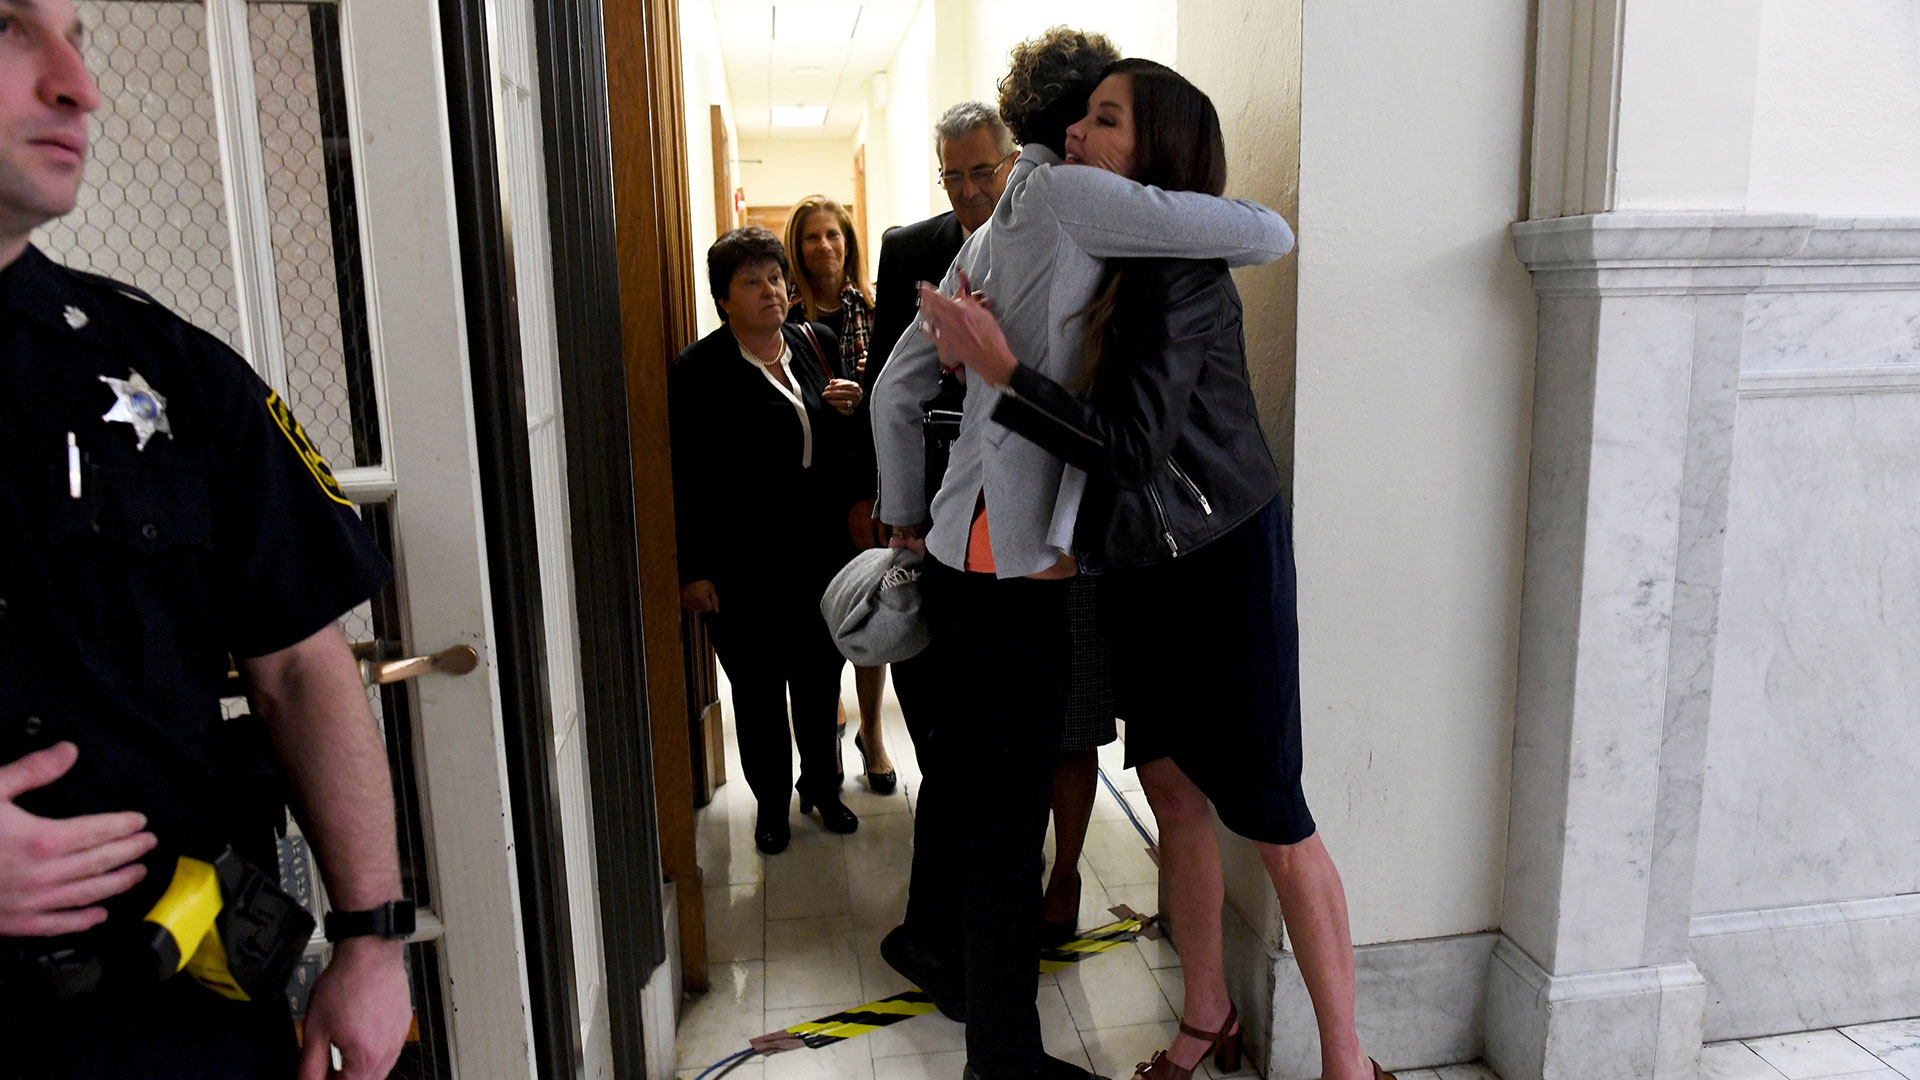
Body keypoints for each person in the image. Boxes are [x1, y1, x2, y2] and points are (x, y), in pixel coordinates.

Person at [918, 60, 1394, 1080]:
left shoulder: (1178, 273)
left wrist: (1002, 371)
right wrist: (970, 347)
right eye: (1081, 116)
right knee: (1175, 794)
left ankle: (1348, 1063)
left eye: (1105, 120)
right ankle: (1205, 1019)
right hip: (1137, 563)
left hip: (1219, 560)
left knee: (1273, 812)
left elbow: (1132, 449)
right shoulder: (1102, 250)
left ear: (1161, 148)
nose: (1076, 137)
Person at [0, 1, 414, 1076]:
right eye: (7, 29)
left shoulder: (164, 370)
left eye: (77, 39)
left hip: (177, 1017)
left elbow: (301, 669)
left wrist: (372, 940)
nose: (76, 86)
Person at [671, 226, 867, 854]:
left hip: (820, 558)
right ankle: (771, 804)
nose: (770, 291)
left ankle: (823, 787)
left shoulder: (817, 342)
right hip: (743, 564)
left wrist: (850, 409)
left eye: (776, 278)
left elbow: (838, 452)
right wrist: (694, 567)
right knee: (757, 692)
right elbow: (686, 473)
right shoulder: (699, 368)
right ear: (724, 298)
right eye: (751, 282)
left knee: (818, 681)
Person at [780, 196, 897, 797]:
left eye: (833, 236)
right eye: (810, 238)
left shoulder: (875, 308)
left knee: (872, 602)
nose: (823, 248)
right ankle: (824, 720)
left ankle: (873, 732)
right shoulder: (783, 312)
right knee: (820, 610)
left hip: (869, 477)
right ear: (794, 247)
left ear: (848, 241)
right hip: (811, 488)